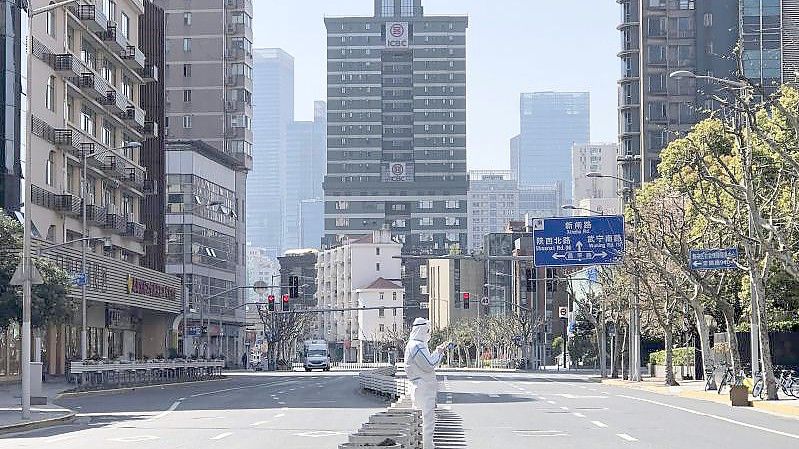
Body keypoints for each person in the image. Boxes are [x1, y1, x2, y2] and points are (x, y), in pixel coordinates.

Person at [404, 317, 449, 449]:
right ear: (422, 330)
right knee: (427, 421)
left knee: (422, 420)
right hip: (422, 387)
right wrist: (439, 352)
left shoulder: (416, 345)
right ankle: (428, 446)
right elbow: (429, 364)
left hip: (421, 387)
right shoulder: (416, 346)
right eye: (427, 330)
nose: (428, 333)